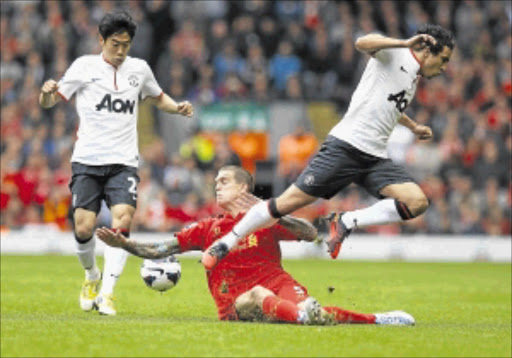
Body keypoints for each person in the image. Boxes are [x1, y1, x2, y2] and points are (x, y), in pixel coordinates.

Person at [202, 24, 455, 267]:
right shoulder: (395, 53)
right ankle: (226, 242)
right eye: (443, 59)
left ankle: (347, 220)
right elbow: (361, 42)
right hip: (345, 147)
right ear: (426, 49)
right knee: (284, 205)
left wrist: (413, 127)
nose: (444, 67)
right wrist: (405, 42)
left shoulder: (412, 76)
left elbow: (388, 105)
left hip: (374, 157)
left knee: (417, 201)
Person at [96, 165, 414, 325]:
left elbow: (309, 233)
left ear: (244, 186)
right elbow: (159, 251)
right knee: (272, 300)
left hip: (280, 283)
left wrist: (272, 215)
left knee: (312, 312)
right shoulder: (209, 228)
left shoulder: (267, 216)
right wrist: (125, 244)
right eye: (215, 182)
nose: (216, 186)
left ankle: (378, 318)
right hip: (236, 302)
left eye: (224, 181)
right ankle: (301, 315)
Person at [39, 10, 194, 316]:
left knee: (122, 219)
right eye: (115, 44)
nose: (121, 51)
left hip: (124, 162)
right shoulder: (84, 67)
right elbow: (52, 100)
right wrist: (45, 95)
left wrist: (177, 107)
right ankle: (91, 276)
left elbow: (157, 96)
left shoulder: (139, 69)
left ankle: (108, 293)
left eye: (126, 44)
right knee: (84, 227)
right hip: (87, 160)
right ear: (101, 40)